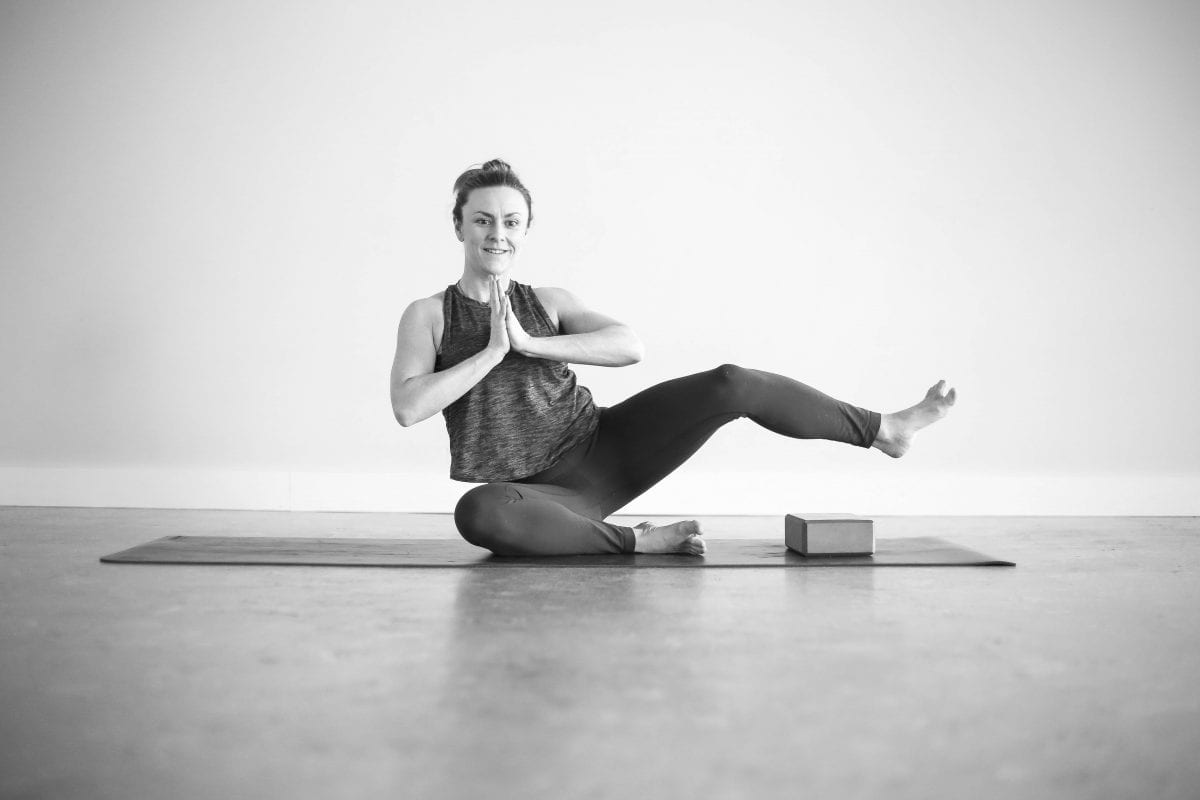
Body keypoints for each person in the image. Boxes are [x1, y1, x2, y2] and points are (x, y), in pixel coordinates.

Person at [390, 159, 956, 557]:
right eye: (483, 220)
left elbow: (628, 345)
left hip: (606, 446)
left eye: (511, 222)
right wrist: (492, 352)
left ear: (525, 230)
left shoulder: (549, 303)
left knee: (730, 382)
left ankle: (885, 430)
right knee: (478, 513)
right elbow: (408, 407)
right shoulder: (429, 314)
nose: (497, 234)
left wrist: (531, 343)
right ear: (459, 225)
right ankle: (638, 542)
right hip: (541, 496)